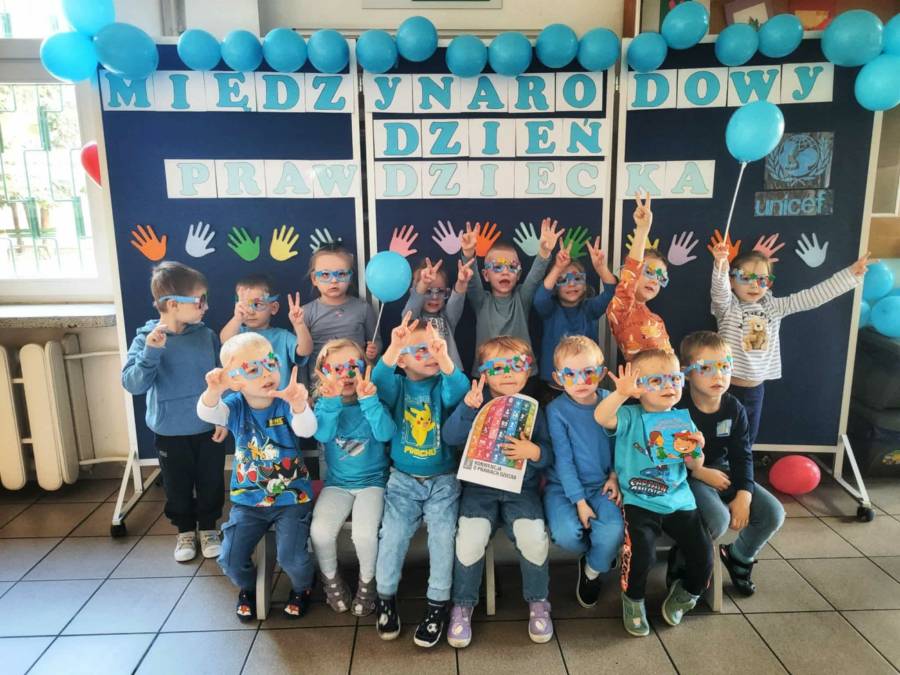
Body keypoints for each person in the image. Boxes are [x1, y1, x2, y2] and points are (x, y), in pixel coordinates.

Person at [197, 332, 317, 621]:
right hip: (248, 502)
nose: (267, 373)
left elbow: (307, 430)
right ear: (235, 381)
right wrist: (214, 391)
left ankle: (303, 587)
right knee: (229, 557)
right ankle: (248, 588)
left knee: (292, 557)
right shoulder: (235, 405)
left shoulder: (284, 401)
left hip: (292, 499)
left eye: (271, 363)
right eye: (253, 369)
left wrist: (299, 405)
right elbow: (207, 413)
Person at [594, 349, 712, 636]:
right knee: (641, 556)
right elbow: (601, 416)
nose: (669, 386)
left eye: (674, 378)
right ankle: (633, 600)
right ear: (639, 387)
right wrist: (621, 393)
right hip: (639, 500)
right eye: (657, 380)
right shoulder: (630, 415)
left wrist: (697, 449)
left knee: (704, 553)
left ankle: (687, 594)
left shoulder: (682, 421)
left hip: (679, 500)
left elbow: (695, 466)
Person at [445, 336, 553, 648]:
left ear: (528, 370)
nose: (507, 374)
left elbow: (548, 454)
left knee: (533, 538)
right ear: (483, 372)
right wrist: (468, 409)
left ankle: (539, 602)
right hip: (479, 490)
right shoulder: (473, 401)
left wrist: (534, 452)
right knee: (470, 539)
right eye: (498, 367)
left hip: (522, 490)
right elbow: (450, 438)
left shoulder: (534, 410)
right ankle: (462, 605)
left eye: (516, 366)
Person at [371, 313, 470, 647]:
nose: (430, 355)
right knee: (393, 535)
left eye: (434, 349)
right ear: (402, 360)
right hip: (402, 480)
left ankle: (437, 605)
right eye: (421, 351)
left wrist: (444, 358)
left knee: (442, 537)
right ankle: (385, 597)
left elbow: (461, 388)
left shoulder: (442, 385)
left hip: (443, 480)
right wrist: (394, 346)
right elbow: (379, 379)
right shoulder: (398, 386)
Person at [711, 242, 872, 444]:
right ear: (731, 281)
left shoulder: (775, 308)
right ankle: (717, 462)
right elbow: (720, 292)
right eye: (745, 278)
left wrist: (849, 275)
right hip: (726, 388)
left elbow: (812, 297)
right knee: (721, 435)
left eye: (762, 280)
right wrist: (720, 264)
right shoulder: (727, 308)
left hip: (755, 390)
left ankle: (743, 464)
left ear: (769, 283)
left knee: (747, 439)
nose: (754, 285)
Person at [121, 261, 226, 562]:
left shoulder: (206, 336)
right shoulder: (145, 339)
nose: (206, 307)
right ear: (172, 304)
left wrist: (224, 417)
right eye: (200, 300)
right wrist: (151, 352)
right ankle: (185, 531)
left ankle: (209, 528)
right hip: (170, 431)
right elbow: (133, 384)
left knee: (211, 483)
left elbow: (222, 379)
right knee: (177, 487)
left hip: (208, 428)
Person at [677, 330, 785, 596]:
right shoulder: (676, 406)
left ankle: (738, 557)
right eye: (706, 368)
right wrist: (700, 472)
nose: (718, 376)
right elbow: (665, 457)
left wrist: (745, 494)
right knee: (718, 519)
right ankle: (681, 561)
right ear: (686, 372)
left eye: (724, 366)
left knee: (773, 513)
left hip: (722, 471)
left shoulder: (734, 408)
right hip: (686, 475)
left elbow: (742, 455)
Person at [310, 339, 395, 617]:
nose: (346, 375)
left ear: (364, 368)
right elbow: (323, 434)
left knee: (364, 534)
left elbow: (386, 434)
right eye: (336, 369)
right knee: (320, 532)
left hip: (374, 482)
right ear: (323, 373)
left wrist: (369, 401)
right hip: (338, 484)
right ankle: (331, 581)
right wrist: (331, 402)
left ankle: (368, 583)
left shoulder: (374, 400)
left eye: (353, 366)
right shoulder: (323, 404)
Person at [543, 336, 623, 609]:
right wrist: (579, 502)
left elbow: (621, 445)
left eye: (588, 372)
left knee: (613, 530)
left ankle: (592, 570)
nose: (581, 381)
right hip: (563, 487)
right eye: (571, 374)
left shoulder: (610, 401)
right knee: (566, 534)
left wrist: (614, 476)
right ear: (558, 378)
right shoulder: (556, 411)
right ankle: (600, 554)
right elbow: (563, 460)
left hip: (602, 485)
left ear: (601, 373)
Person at [459, 218, 564, 374]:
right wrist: (468, 254)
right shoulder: (481, 301)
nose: (505, 272)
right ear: (486, 275)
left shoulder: (521, 298)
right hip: (489, 375)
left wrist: (544, 252)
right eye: (497, 267)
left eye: (512, 267)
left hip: (521, 374)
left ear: (519, 274)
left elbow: (535, 277)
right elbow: (471, 280)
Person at [533, 240, 616, 395]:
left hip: (586, 384)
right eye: (562, 280)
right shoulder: (550, 309)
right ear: (555, 288)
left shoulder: (589, 308)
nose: (571, 284)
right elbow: (539, 298)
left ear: (585, 285)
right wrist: (557, 267)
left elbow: (612, 294)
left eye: (577, 278)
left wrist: (601, 268)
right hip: (555, 386)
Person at [607, 193, 673, 360]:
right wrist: (642, 230)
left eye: (661, 278)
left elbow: (670, 360)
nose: (655, 280)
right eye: (649, 272)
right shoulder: (621, 311)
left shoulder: (657, 320)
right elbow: (631, 275)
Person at [220, 273, 313, 388]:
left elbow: (305, 351)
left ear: (273, 308)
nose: (250, 311)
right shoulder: (238, 334)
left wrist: (299, 325)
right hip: (247, 397)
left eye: (257, 304)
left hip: (279, 397)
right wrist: (237, 318)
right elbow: (225, 340)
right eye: (244, 305)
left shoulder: (282, 336)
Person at [301, 244, 380, 374]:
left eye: (341, 274)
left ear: (350, 278)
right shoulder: (305, 313)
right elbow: (301, 358)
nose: (334, 280)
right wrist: (302, 385)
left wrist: (374, 351)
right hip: (322, 382)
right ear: (314, 279)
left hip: (355, 379)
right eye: (325, 274)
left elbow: (376, 341)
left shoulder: (363, 308)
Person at [401, 257, 475, 372]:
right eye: (428, 291)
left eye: (440, 291)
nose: (434, 297)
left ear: (446, 292)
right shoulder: (413, 318)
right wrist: (423, 284)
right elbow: (412, 306)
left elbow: (457, 300)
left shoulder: (447, 317)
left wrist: (461, 283)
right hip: (423, 373)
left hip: (449, 374)